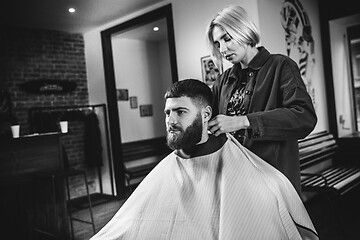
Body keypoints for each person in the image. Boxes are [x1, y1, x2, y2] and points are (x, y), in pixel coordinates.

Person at [90, 79, 318, 240]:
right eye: (168, 113)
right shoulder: (167, 167)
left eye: (180, 112)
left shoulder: (243, 167)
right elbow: (126, 226)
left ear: (206, 114)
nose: (170, 120)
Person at [206, 5, 317, 194]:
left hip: (272, 182)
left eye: (227, 38)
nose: (223, 48)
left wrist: (243, 121)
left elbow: (304, 117)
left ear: (243, 31)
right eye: (217, 44)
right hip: (235, 181)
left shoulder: (281, 66)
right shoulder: (222, 81)